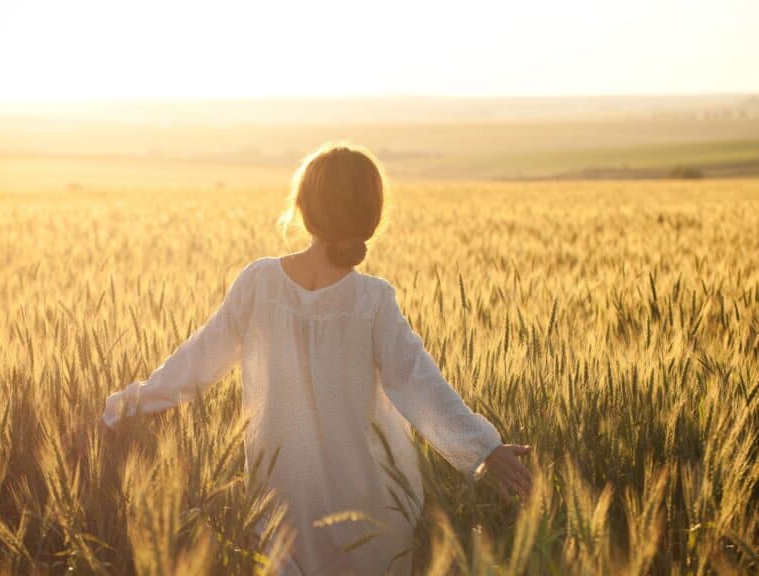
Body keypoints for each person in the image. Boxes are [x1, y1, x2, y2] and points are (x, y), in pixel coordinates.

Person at [100, 142, 533, 575]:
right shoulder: (372, 300)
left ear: (303, 207)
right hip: (369, 501)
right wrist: (484, 449)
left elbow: (195, 363)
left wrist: (123, 407)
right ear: (371, 216)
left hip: (282, 499)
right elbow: (420, 385)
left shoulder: (259, 284)